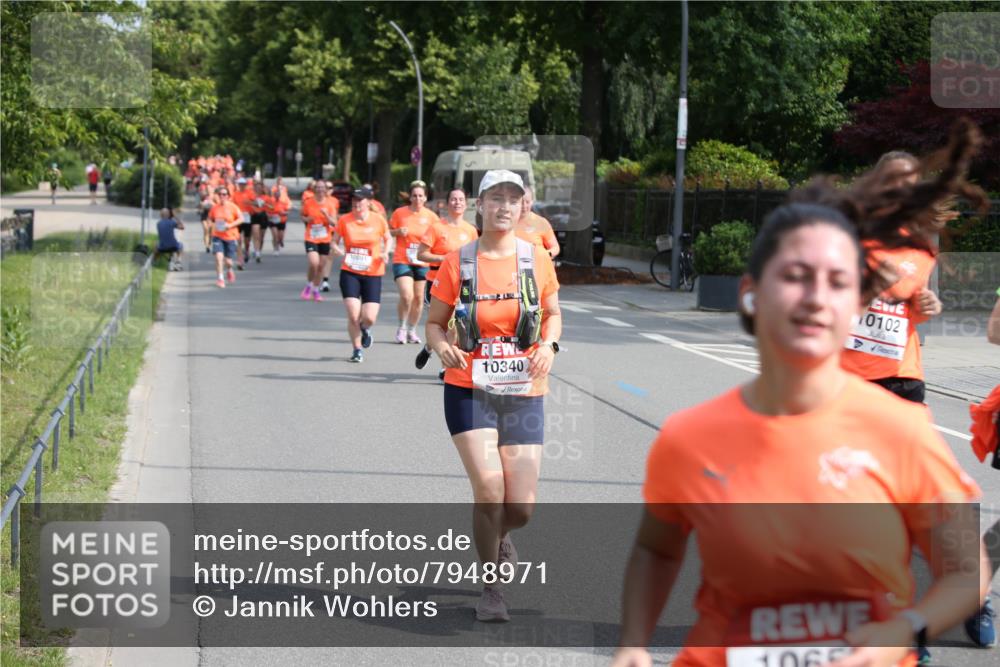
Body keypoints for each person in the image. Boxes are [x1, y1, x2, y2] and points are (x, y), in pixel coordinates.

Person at [612, 121, 990, 667]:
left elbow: (965, 570)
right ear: (751, 293)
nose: (816, 297)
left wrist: (904, 629)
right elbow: (655, 549)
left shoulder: (902, 431)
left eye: (838, 283)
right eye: (795, 275)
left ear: (854, 300)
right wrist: (633, 644)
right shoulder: (690, 438)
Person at [425, 170, 562, 622]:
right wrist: (442, 345)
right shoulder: (457, 261)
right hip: (469, 387)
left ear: (524, 206)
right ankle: (492, 588)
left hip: (523, 389)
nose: (504, 206)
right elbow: (434, 322)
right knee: (489, 488)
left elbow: (554, 314)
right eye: (495, 198)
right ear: (479, 205)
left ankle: (502, 536)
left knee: (519, 507)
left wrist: (548, 345)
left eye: (513, 198)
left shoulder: (536, 258)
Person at [414, 187, 479, 378]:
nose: (457, 202)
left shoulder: (471, 230)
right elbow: (421, 254)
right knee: (440, 325)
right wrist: (445, 259)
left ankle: (444, 367)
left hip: (463, 284)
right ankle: (429, 346)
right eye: (453, 199)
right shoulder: (436, 227)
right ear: (447, 203)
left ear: (466, 205)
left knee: (455, 324)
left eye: (461, 199)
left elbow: (476, 257)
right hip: (437, 282)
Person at [331, 185, 391, 362]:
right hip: (350, 271)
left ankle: (365, 329)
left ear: (368, 202)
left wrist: (385, 252)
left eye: (360, 200)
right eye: (354, 200)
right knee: (352, 313)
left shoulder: (378, 220)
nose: (357, 203)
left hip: (373, 272)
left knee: (369, 317)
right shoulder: (344, 220)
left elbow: (388, 239)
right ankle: (357, 349)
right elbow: (334, 242)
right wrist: (337, 249)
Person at [389, 180, 440, 344]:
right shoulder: (399, 213)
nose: (417, 199)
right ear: (410, 197)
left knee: (418, 298)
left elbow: (438, 238)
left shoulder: (432, 217)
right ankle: (401, 327)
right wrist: (397, 231)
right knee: (406, 295)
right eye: (414, 196)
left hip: (422, 262)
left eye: (420, 196)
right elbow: (387, 231)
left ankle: (411, 330)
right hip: (402, 259)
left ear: (425, 198)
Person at [299, 181, 340, 302]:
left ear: (326, 190)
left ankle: (315, 290)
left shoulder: (330, 204)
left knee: (321, 266)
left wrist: (327, 216)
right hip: (311, 237)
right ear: (314, 189)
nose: (321, 190)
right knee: (314, 263)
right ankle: (308, 285)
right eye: (318, 187)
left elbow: (334, 223)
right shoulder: (308, 202)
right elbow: (302, 216)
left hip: (325, 238)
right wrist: (307, 219)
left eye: (323, 188)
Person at [209, 186, 243, 288]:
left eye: (224, 194)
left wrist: (230, 225)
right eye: (220, 194)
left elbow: (241, 219)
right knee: (219, 258)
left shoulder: (233, 207)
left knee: (228, 262)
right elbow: (210, 219)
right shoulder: (215, 208)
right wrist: (211, 226)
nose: (222, 196)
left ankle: (229, 269)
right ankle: (220, 279)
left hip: (230, 237)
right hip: (217, 236)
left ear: (228, 196)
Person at [515, 186, 560, 259]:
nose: (524, 205)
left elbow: (555, 248)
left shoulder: (541, 222)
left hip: (537, 267)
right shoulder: (505, 222)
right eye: (520, 202)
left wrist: (545, 255)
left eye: (527, 202)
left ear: (532, 202)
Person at [231, 177, 254, 269]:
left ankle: (247, 250)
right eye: (240, 184)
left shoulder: (249, 193)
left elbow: (255, 202)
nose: (241, 186)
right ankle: (240, 260)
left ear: (245, 185)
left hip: (247, 217)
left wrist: (250, 203)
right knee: (238, 239)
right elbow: (233, 205)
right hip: (238, 217)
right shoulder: (235, 194)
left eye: (243, 184)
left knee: (247, 239)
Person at [249, 180, 272, 264]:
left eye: (260, 187)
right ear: (254, 188)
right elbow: (247, 202)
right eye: (256, 187)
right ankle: (257, 253)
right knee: (256, 236)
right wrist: (254, 203)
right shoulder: (252, 196)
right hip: (254, 215)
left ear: (262, 188)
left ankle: (259, 251)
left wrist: (264, 204)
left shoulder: (266, 197)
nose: (258, 188)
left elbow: (272, 207)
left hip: (263, 216)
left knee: (261, 238)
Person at [270, 176, 291, 254]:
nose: (280, 182)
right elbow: (267, 209)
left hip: (282, 218)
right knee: (275, 235)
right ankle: (276, 249)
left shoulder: (284, 192)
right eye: (279, 181)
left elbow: (288, 208)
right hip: (273, 219)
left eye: (281, 181)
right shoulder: (273, 190)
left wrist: (285, 212)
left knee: (280, 236)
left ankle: (281, 241)